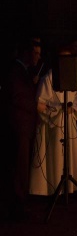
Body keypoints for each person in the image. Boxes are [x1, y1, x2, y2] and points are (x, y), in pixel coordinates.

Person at [30, 47, 77, 196]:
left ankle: (69, 188)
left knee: (69, 154)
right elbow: (40, 103)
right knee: (56, 156)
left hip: (69, 121)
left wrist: (73, 109)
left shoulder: (73, 78)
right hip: (54, 125)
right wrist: (57, 110)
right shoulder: (48, 78)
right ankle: (55, 187)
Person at [2, 40, 41, 219]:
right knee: (19, 166)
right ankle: (18, 204)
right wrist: (36, 105)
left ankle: (19, 202)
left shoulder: (23, 72)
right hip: (19, 126)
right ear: (26, 53)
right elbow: (17, 97)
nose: (38, 57)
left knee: (21, 166)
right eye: (35, 53)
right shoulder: (16, 71)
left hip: (24, 125)